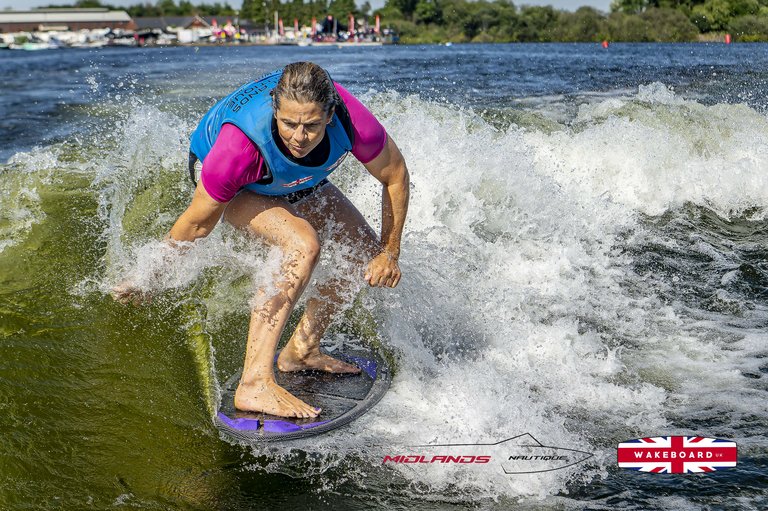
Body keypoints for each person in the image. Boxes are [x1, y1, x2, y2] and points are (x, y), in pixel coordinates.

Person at [112, 62, 409, 419]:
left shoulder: (353, 122)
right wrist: (150, 276)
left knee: (363, 252)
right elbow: (195, 225)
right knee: (302, 244)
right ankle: (253, 383)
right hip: (244, 181)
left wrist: (390, 252)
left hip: (297, 177)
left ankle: (302, 350)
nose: (300, 136)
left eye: (312, 125)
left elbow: (395, 176)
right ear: (275, 109)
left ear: (330, 115)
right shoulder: (236, 151)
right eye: (289, 123)